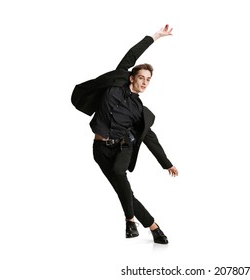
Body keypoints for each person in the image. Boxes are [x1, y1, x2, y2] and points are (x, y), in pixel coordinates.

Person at [71, 24, 178, 244]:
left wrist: (166, 163)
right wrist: (155, 36)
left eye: (148, 80)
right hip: (100, 149)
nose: (145, 83)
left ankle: (130, 220)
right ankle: (154, 227)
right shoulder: (116, 84)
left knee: (120, 175)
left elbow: (150, 138)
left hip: (123, 149)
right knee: (124, 190)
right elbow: (131, 55)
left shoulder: (139, 110)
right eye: (142, 78)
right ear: (132, 78)